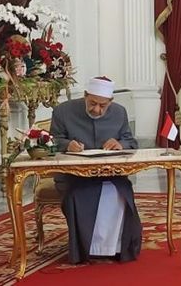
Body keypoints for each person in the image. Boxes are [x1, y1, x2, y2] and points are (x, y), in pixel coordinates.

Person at [50, 76, 141, 264]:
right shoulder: (63, 111)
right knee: (81, 194)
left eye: (102, 106)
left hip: (112, 174)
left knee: (117, 193)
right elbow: (51, 141)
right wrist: (67, 145)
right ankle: (87, 248)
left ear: (110, 102)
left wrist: (120, 143)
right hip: (74, 176)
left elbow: (131, 142)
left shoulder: (119, 113)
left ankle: (114, 248)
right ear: (85, 95)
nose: (97, 109)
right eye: (92, 103)